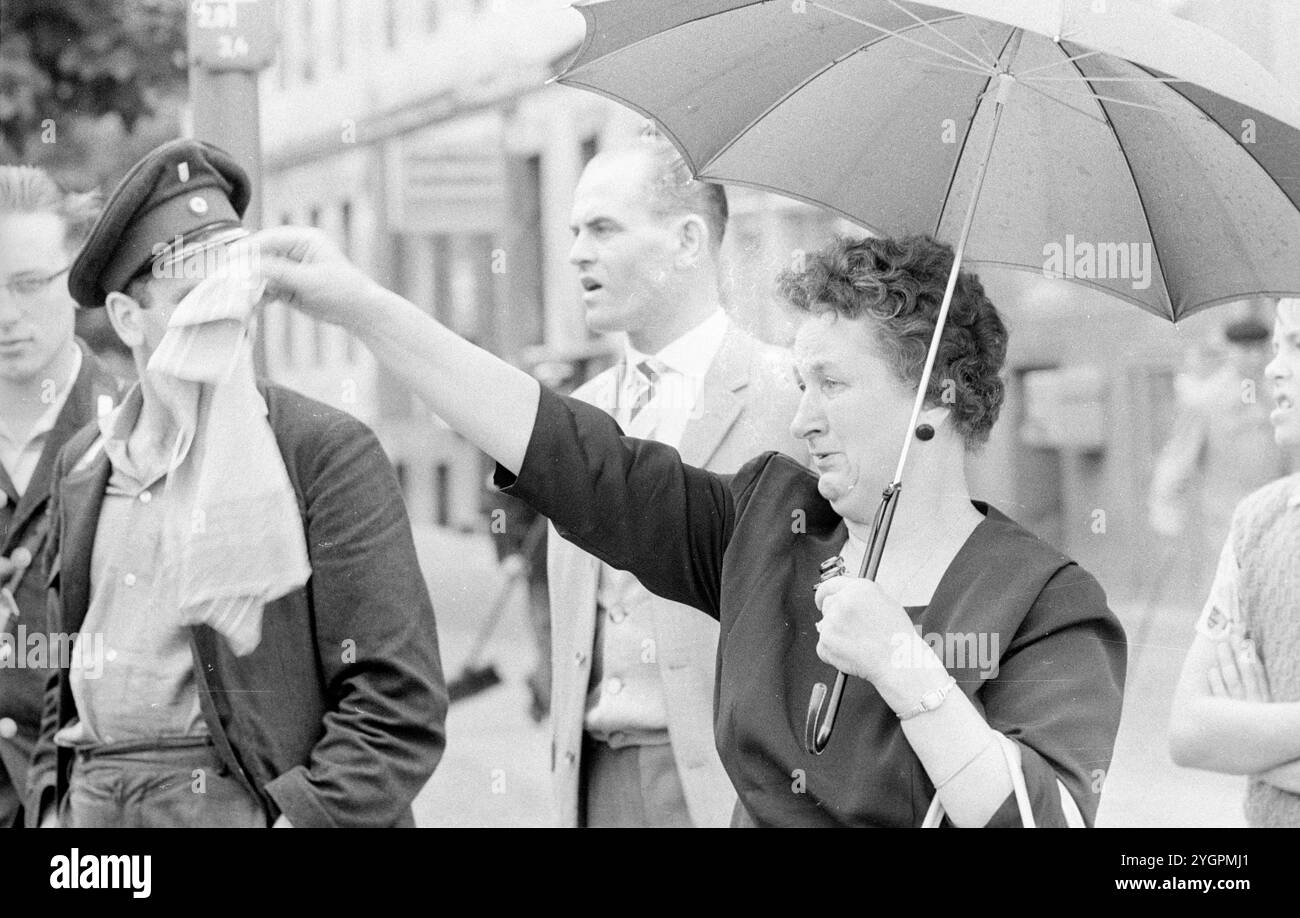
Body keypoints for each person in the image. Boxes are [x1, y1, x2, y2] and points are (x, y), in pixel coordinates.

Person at [255, 226, 1127, 827]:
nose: (802, 418)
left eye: (832, 385)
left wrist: (905, 666)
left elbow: (1041, 816)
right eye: (800, 384)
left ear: (935, 398)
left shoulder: (1045, 603)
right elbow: (566, 451)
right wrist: (361, 306)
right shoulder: (772, 525)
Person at [25, 139, 447, 828]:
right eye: (196, 299)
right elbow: (61, 682)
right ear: (129, 319)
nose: (228, 317)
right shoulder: (83, 464)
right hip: (97, 811)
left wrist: (298, 821)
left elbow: (397, 703)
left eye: (236, 293)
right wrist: (53, 808)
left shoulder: (322, 453)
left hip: (238, 802)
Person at [538, 139, 804, 827]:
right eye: (573, 232)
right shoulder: (572, 418)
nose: (576, 253)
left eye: (603, 228)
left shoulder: (793, 401)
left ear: (687, 240)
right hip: (591, 789)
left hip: (727, 797)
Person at [0, 166, 122, 828]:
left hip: (91, 818)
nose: (4, 316)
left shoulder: (143, 432)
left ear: (77, 278)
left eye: (26, 284)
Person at [1169, 298, 1300, 827]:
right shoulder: (1209, 399)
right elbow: (1192, 732)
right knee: (1235, 664)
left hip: (1278, 522)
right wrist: (1167, 509)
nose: (1266, 363)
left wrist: (1260, 741)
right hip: (1234, 534)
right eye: (1269, 346)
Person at [1148, 316, 1288, 601]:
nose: (1255, 357)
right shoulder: (1206, 399)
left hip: (1278, 520)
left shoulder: (1280, 396)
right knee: (1229, 602)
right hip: (1225, 522)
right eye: (1246, 349)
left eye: (1261, 349)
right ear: (1230, 350)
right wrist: (1167, 518)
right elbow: (1177, 460)